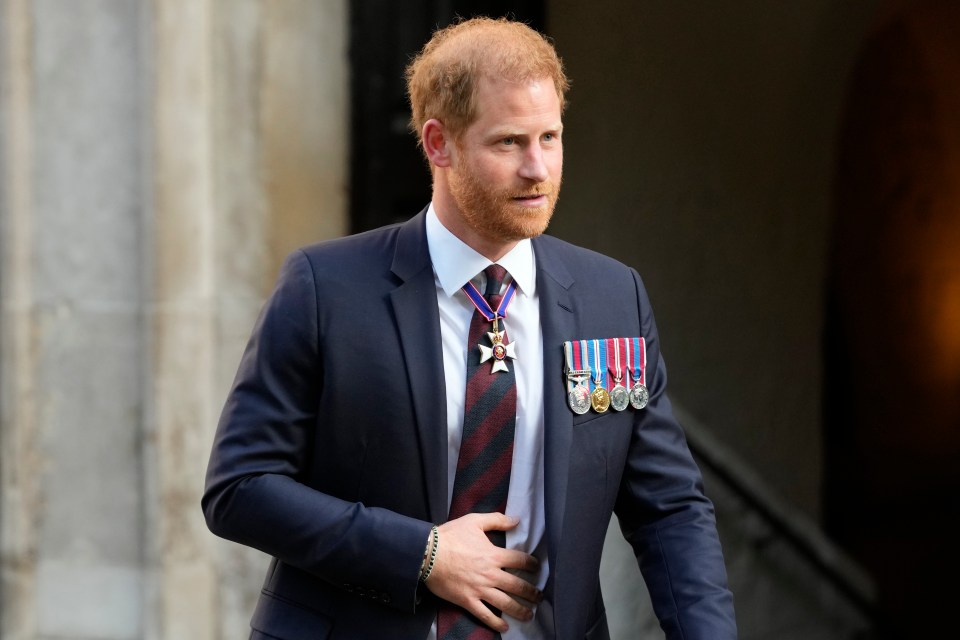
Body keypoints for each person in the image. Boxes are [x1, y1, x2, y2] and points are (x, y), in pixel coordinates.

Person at [203, 16, 736, 640]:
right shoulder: (326, 288)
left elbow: (668, 509)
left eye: (551, 137)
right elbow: (239, 488)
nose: (538, 169)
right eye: (509, 142)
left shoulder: (612, 297)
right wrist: (422, 554)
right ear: (438, 144)